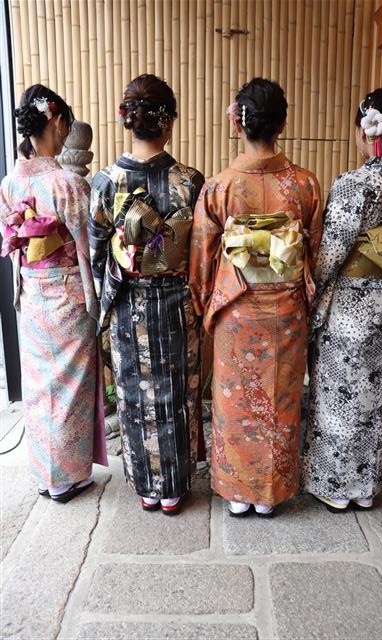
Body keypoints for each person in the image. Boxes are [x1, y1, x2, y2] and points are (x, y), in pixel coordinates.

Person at [189, 78, 322, 517]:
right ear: (282, 123)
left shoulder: (219, 187)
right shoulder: (305, 185)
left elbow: (203, 257)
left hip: (237, 310)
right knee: (280, 399)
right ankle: (271, 492)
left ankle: (238, 492)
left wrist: (204, 304)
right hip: (287, 311)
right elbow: (315, 254)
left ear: (237, 123)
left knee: (235, 401)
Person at [302, 88, 382, 512]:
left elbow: (332, 253)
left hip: (352, 310)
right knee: (378, 397)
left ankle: (336, 485)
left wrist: (312, 293)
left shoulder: (355, 185)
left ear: (365, 130)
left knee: (341, 396)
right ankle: (366, 486)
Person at [89, 74, 204, 515]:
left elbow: (98, 254)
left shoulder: (104, 182)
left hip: (126, 303)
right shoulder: (190, 182)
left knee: (134, 392)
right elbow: (202, 253)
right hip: (176, 301)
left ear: (127, 120)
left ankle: (146, 486)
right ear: (168, 121)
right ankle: (173, 487)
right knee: (175, 390)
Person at [0, 84, 107, 502]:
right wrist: (99, 299)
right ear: (58, 121)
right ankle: (67, 477)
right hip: (67, 297)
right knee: (69, 390)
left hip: (32, 297)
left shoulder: (10, 183)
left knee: (40, 387)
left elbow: (14, 244)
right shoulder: (68, 184)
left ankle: (47, 476)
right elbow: (91, 248)